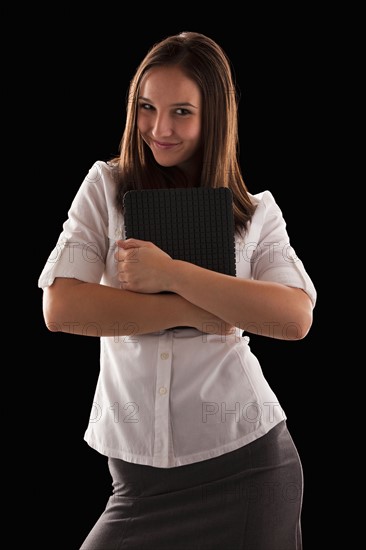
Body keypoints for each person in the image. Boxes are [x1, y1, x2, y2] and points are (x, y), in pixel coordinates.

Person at [38, 31, 316, 550]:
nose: (159, 128)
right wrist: (201, 310)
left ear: (216, 117)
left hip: (249, 467)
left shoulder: (255, 212)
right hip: (137, 483)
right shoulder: (106, 187)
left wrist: (171, 274)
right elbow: (62, 306)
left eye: (182, 112)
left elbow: (294, 318)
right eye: (146, 107)